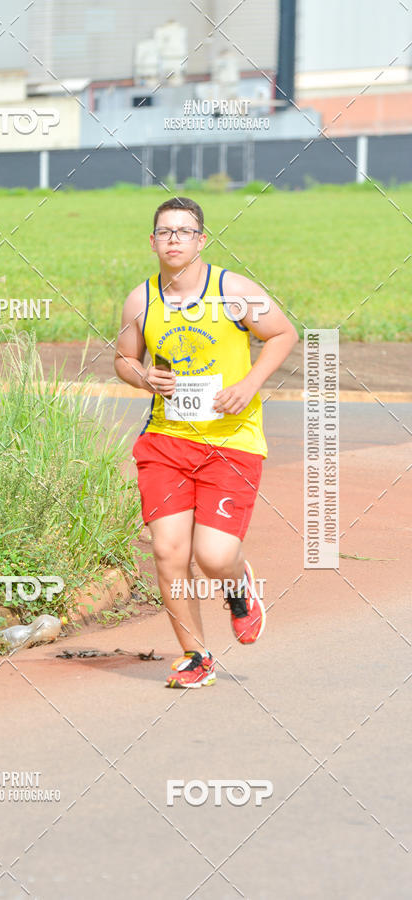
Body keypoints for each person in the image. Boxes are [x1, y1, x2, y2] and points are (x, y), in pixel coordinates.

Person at [114, 196, 298, 688]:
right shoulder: (141, 300)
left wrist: (250, 384)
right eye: (165, 231)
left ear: (201, 239)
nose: (173, 239)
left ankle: (239, 588)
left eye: (184, 231)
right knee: (168, 552)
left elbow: (282, 334)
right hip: (166, 442)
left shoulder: (233, 291)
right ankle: (197, 656)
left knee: (214, 557)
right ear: (152, 241)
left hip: (231, 442)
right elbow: (124, 359)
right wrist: (144, 378)